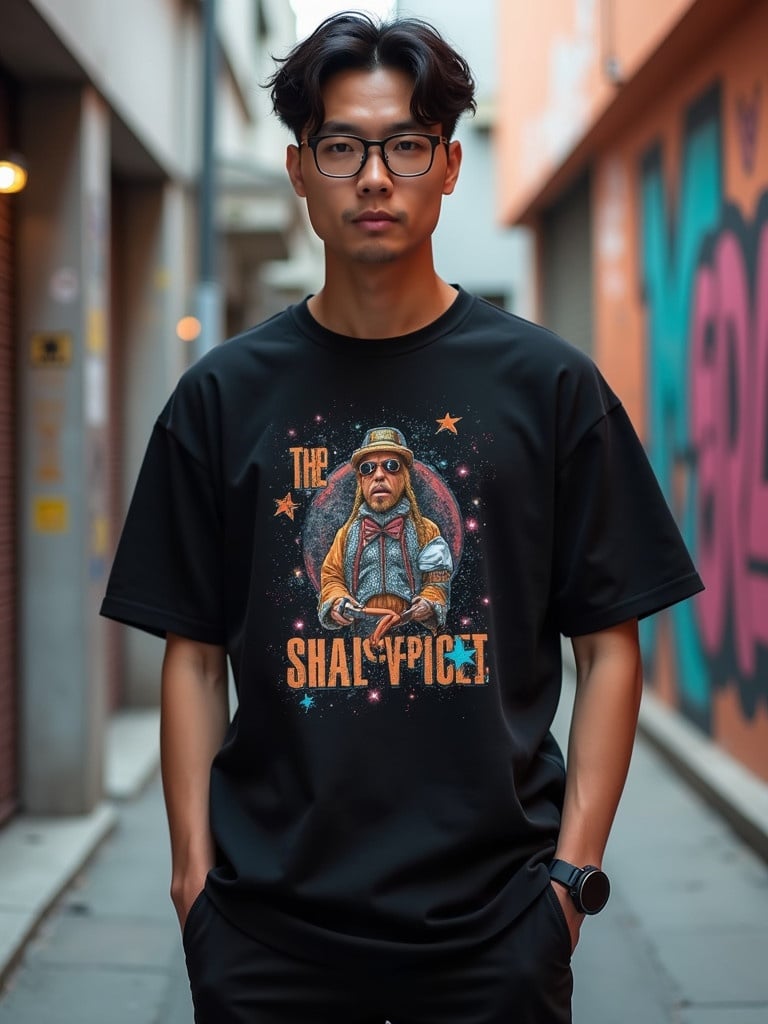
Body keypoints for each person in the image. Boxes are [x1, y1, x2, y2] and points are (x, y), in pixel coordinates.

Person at [101, 12, 704, 1023]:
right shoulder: (220, 398)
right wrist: (193, 884)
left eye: (405, 146)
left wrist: (570, 882)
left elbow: (610, 646)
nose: (373, 177)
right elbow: (194, 656)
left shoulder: (550, 388)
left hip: (495, 934)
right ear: (299, 169)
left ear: (450, 165)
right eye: (341, 147)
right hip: (265, 935)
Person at [317, 425, 453, 640]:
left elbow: (438, 580)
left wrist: (428, 602)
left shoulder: (426, 530)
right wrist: (337, 601)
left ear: (405, 478)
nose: (379, 475)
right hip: (359, 636)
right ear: (361, 481)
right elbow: (331, 577)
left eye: (392, 466)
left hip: (413, 636)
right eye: (367, 468)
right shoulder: (346, 533)